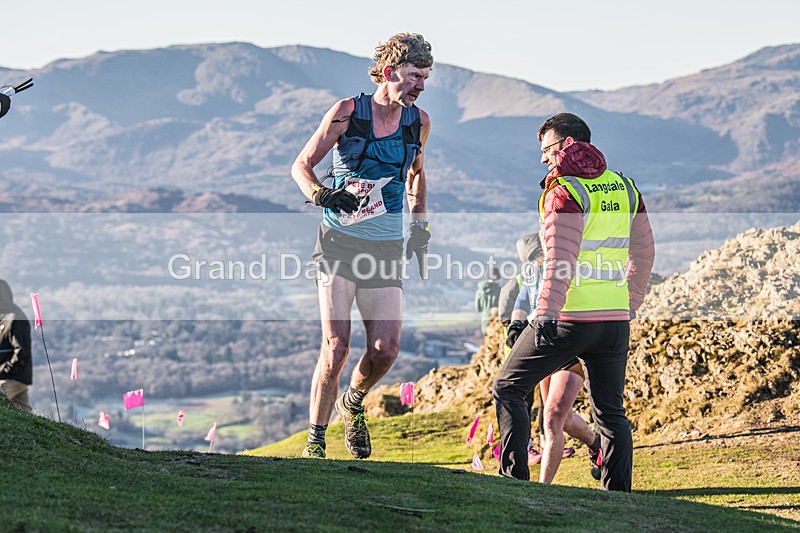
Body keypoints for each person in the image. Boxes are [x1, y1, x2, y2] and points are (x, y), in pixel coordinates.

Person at [493, 113, 655, 491]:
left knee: (509, 387)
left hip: (568, 318)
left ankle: (513, 483)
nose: (543, 158)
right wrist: (631, 301)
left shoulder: (564, 191)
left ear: (567, 145)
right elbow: (645, 253)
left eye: (548, 149)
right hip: (614, 320)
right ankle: (618, 497)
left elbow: (560, 260)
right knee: (611, 412)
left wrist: (545, 313)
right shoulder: (625, 187)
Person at [290, 33, 433, 459]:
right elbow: (301, 165)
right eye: (413, 76)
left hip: (385, 245)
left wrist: (420, 226)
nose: (421, 86)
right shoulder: (347, 112)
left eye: (426, 78)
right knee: (336, 346)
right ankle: (315, 442)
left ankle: (354, 401)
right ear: (389, 73)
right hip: (339, 242)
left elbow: (416, 174)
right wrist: (320, 195)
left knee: (385, 350)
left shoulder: (418, 122)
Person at [509, 268, 601, 484]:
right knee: (565, 419)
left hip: (574, 344)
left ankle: (543, 488)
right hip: (545, 343)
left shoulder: (574, 260)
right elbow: (522, 301)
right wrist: (516, 325)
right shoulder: (534, 268)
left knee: (552, 417)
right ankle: (596, 445)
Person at [0, 279, 33, 413]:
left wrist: (5, 369)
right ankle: (35, 432)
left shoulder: (16, 318)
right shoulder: (3, 316)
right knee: (22, 409)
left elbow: (21, 351)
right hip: (8, 375)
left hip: (13, 376)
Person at [474, 267, 501, 335]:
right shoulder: (500, 290)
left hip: (484, 320)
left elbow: (478, 308)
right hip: (496, 322)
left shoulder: (479, 291)